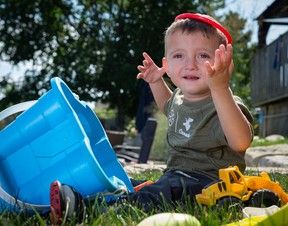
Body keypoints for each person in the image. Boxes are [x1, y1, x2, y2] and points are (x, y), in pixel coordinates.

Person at [50, 12, 254, 224]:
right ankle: (83, 197)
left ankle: (87, 212)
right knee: (131, 184)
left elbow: (240, 142)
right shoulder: (180, 98)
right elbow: (168, 107)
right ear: (166, 65)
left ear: (225, 65)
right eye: (179, 56)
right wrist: (156, 82)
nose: (190, 64)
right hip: (175, 178)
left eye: (203, 55)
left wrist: (221, 88)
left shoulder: (225, 103)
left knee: (152, 195)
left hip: (210, 185)